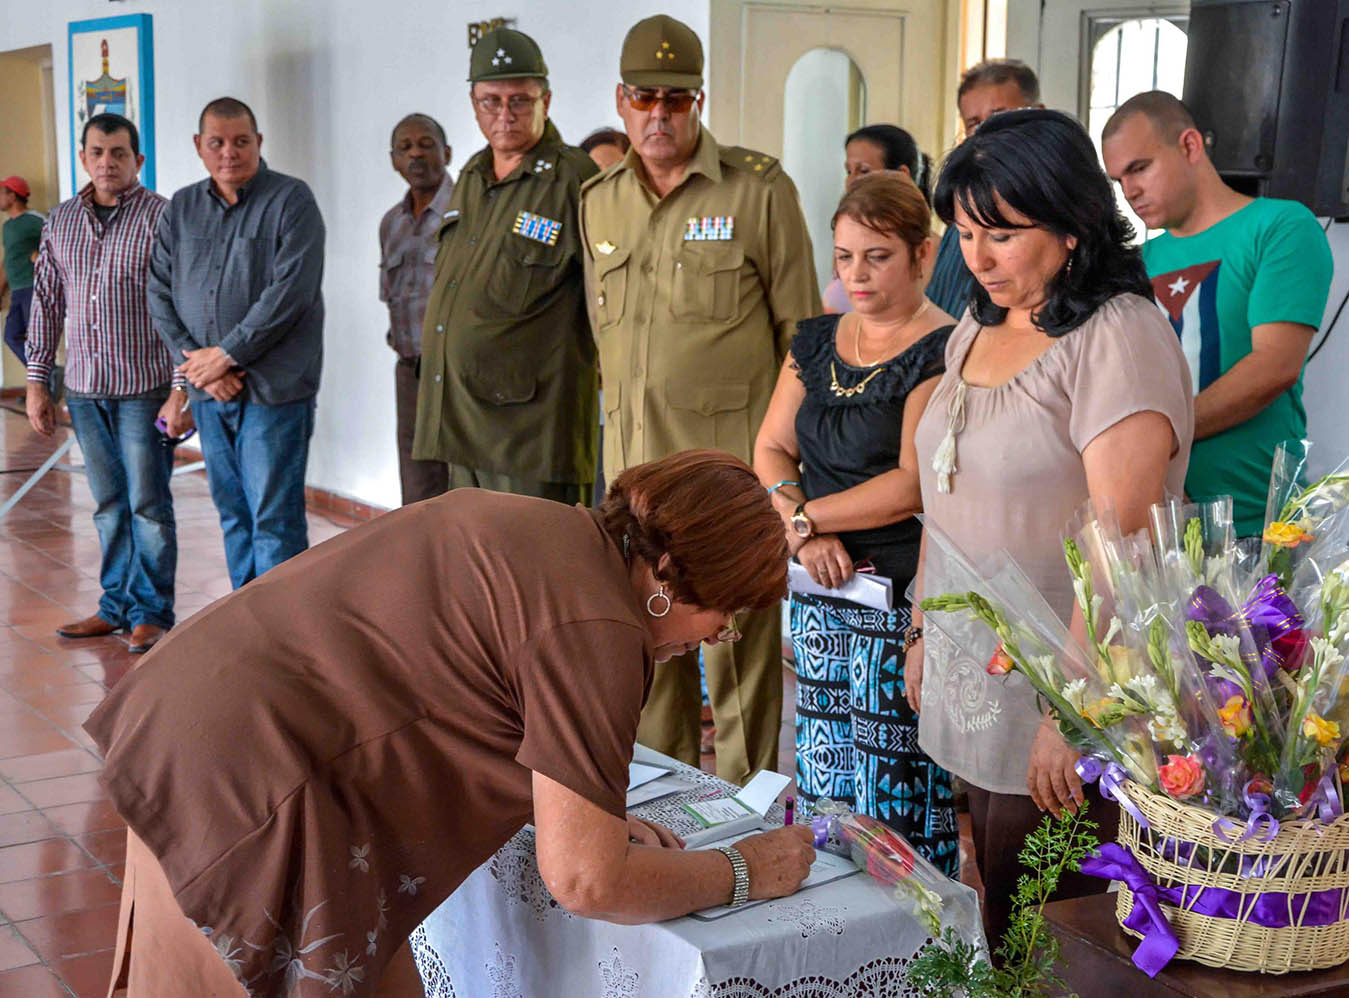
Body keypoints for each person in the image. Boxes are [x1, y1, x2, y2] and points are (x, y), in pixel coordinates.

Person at [86, 450, 816, 997]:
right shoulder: (601, 627)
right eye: (725, 617)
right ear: (673, 582)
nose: (715, 637)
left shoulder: (547, 527)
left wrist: (589, 811)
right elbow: (587, 881)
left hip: (194, 717)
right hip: (250, 781)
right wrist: (744, 871)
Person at [906, 109, 1194, 945]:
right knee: (995, 894)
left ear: (1070, 224)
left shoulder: (1117, 337)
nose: (977, 258)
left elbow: (1121, 542)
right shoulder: (982, 322)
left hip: (1063, 687)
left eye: (999, 234)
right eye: (963, 233)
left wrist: (1071, 714)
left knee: (1051, 924)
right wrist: (925, 624)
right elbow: (942, 487)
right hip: (978, 672)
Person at [580, 13, 821, 786]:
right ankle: (665, 796)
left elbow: (803, 340)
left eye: (676, 100)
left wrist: (786, 478)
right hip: (636, 479)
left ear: (699, 102)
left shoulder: (757, 191)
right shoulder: (598, 200)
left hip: (727, 484)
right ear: (621, 100)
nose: (659, 114)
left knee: (740, 657)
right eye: (644, 98)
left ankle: (748, 810)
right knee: (646, 649)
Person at [754, 173, 958, 874]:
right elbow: (771, 444)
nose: (856, 273)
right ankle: (831, 934)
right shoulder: (814, 341)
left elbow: (909, 484)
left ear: (922, 255)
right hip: (820, 584)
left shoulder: (942, 350)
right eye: (843, 256)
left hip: (898, 592)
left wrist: (803, 517)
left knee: (892, 776)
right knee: (820, 761)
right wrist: (804, 530)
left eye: (876, 255)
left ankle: (916, 948)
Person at [1102, 91, 1334, 538]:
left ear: (1190, 146)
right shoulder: (1135, 262)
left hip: (1255, 521)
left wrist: (1163, 438)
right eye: (1118, 180)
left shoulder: (1280, 226)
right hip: (1155, 521)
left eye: (1139, 168)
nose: (1129, 191)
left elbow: (1274, 366)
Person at [413, 28, 600, 505]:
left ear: (546, 100)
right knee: (474, 563)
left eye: (519, 100)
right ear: (473, 104)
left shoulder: (575, 178)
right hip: (462, 422)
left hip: (529, 437)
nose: (504, 114)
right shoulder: (472, 175)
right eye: (490, 101)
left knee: (537, 569)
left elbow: (609, 301)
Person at [24, 114, 186, 655]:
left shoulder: (163, 219)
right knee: (108, 503)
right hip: (86, 389)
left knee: (147, 504)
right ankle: (114, 604)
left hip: (144, 388)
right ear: (84, 157)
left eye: (118, 152)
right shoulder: (61, 221)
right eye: (97, 152)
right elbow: (45, 304)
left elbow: (179, 309)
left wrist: (180, 387)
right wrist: (37, 383)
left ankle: (151, 611)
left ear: (138, 160)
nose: (107, 162)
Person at [148, 97, 325, 590]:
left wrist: (225, 356)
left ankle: (283, 642)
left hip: (274, 390)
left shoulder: (291, 201)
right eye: (218, 143)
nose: (230, 153)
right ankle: (244, 631)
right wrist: (201, 368)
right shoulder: (181, 207)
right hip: (209, 392)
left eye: (241, 141)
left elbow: (290, 294)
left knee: (274, 519)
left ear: (259, 143)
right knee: (232, 513)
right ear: (199, 147)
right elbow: (159, 289)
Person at [926, 59, 1043, 321]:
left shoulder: (1051, 202)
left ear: (1037, 113)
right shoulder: (962, 203)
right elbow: (943, 296)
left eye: (999, 117)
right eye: (975, 123)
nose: (987, 133)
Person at [380, 112, 454, 505]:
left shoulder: (467, 213)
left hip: (457, 373)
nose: (416, 155)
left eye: (426, 144)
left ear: (447, 152)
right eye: (405, 148)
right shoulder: (391, 223)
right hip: (409, 373)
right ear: (393, 159)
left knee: (460, 484)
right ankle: (423, 565)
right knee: (416, 486)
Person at [823, 124, 932, 314]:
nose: (852, 181)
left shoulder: (931, 250)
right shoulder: (846, 238)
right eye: (849, 171)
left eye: (864, 171)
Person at [0, 175, 44, 365]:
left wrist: (41, 255)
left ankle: (44, 383)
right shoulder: (7, 227)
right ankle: (48, 375)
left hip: (33, 287)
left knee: (37, 340)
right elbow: (9, 259)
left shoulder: (34, 219)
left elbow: (59, 240)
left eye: (1, 193)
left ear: (13, 195)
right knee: (11, 336)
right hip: (17, 290)